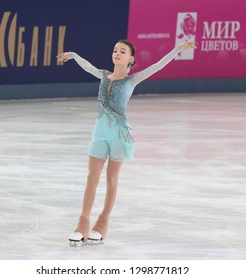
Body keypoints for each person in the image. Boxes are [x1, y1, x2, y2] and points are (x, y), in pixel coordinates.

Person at [57, 39, 195, 245]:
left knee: (111, 180)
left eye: (122, 51)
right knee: (91, 178)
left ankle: (102, 224)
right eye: (114, 50)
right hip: (99, 132)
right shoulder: (103, 75)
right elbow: (88, 66)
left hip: (119, 136)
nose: (117, 53)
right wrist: (73, 55)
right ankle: (83, 223)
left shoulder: (133, 80)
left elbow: (158, 65)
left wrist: (177, 49)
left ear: (131, 58)